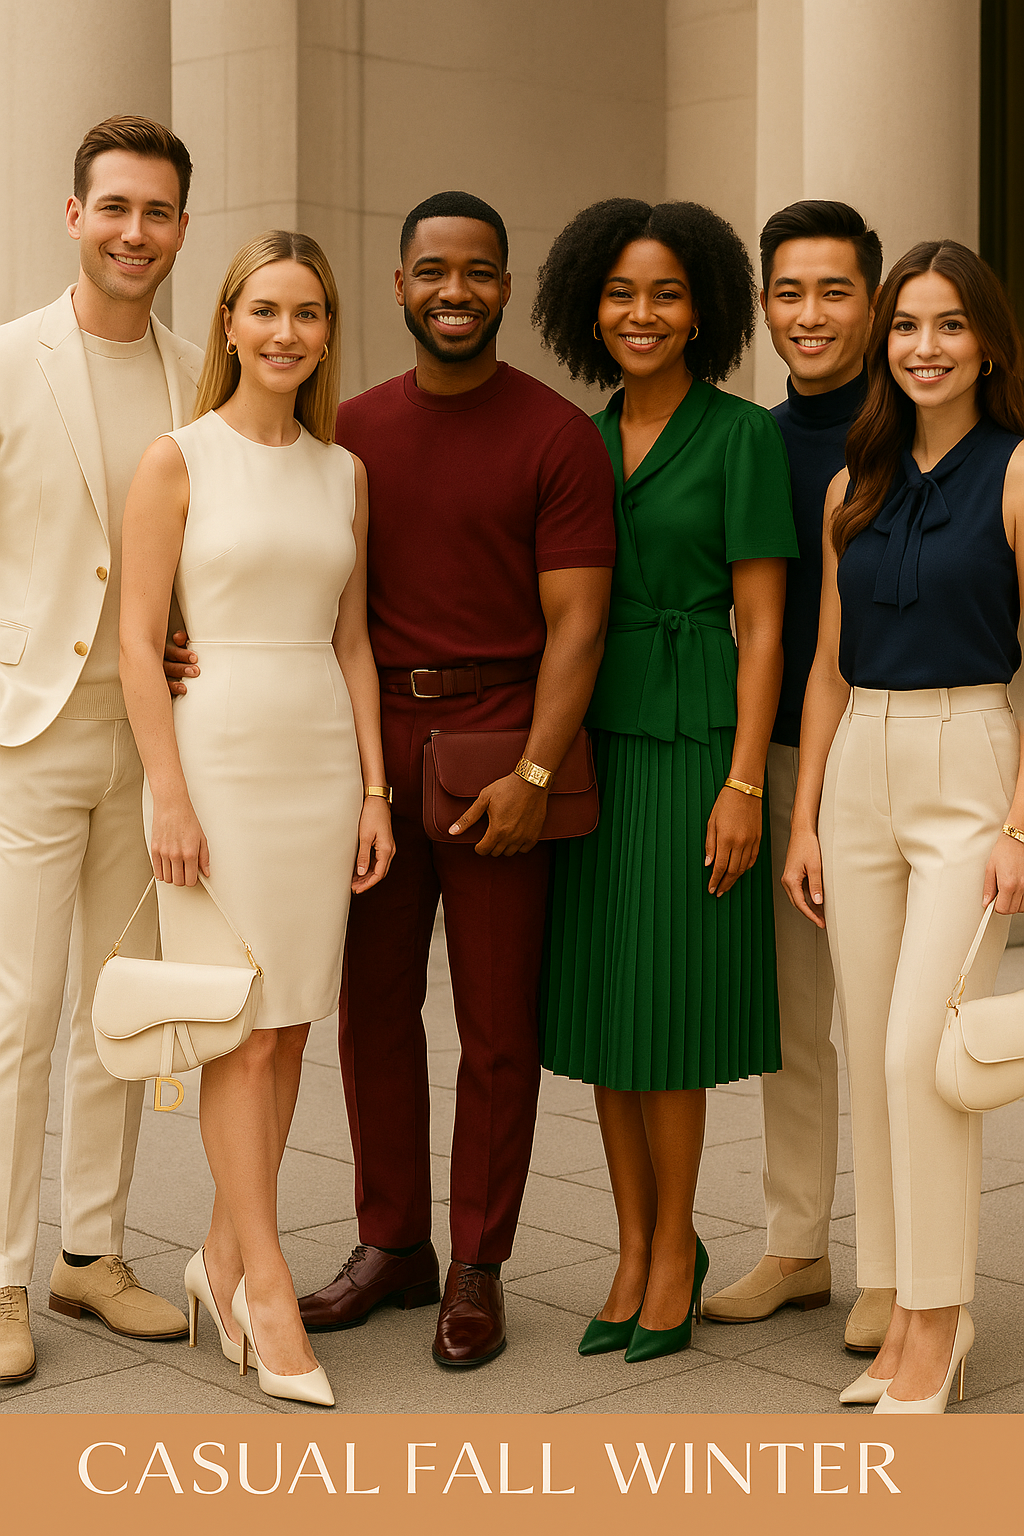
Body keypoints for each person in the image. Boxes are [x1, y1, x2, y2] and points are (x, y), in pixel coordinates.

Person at [286, 191, 615, 1369]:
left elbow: (578, 629)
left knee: (493, 1027)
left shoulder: (555, 435)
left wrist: (534, 768)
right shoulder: (352, 431)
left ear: (505, 287)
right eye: (433, 270)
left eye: (478, 271)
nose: (455, 291)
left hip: (499, 748)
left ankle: (478, 1261)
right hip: (372, 755)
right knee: (369, 1011)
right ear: (399, 286)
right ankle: (393, 1245)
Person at [120, 230, 393, 1406]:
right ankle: (266, 1284)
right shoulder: (176, 459)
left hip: (321, 764)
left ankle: (222, 1257)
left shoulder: (345, 473)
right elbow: (138, 642)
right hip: (216, 761)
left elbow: (353, 641)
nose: (287, 333)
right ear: (228, 321)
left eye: (310, 314)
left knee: (286, 1028)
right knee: (236, 1028)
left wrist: (377, 791)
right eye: (266, 310)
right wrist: (168, 790)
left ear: (328, 333)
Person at [534, 199, 798, 1361]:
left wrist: (745, 783)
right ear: (589, 304)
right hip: (594, 753)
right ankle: (633, 1247)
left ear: (705, 311)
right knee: (604, 1016)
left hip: (695, 750)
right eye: (621, 293)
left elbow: (763, 622)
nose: (642, 314)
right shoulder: (573, 439)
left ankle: (676, 1245)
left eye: (667, 293)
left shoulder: (741, 438)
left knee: (670, 1021)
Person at [783, 240, 1024, 1412]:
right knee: (869, 1054)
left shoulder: (1021, 472)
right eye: (907, 327)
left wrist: (1022, 824)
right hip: (858, 769)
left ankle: (937, 1320)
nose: (924, 347)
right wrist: (807, 820)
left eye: (948, 326)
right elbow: (823, 666)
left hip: (968, 759)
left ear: (986, 342)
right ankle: (895, 1304)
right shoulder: (851, 484)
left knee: (916, 1060)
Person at [0, 116, 201, 1386]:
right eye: (116, 207)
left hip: (151, 738)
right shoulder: (11, 359)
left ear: (183, 229)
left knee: (115, 1012)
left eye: (161, 212)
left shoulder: (201, 373)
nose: (137, 232)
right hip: (28, 729)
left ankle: (92, 1255)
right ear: (73, 215)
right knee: (19, 1010)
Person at [703, 200, 894, 1352]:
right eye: (789, 293)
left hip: (885, 745)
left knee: (882, 1018)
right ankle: (796, 1245)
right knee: (795, 1020)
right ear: (764, 306)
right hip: (776, 755)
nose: (809, 315)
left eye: (832, 291)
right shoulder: (754, 443)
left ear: (869, 300)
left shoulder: (919, 429)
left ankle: (894, 1261)